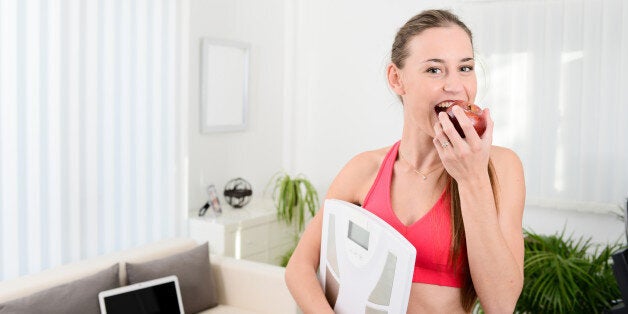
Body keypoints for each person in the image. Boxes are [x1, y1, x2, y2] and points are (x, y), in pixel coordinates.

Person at [284, 9, 525, 314]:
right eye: (434, 70)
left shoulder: (499, 168)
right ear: (397, 79)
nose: (455, 85)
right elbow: (300, 267)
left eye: (465, 68)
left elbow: (501, 305)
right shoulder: (364, 169)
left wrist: (471, 178)